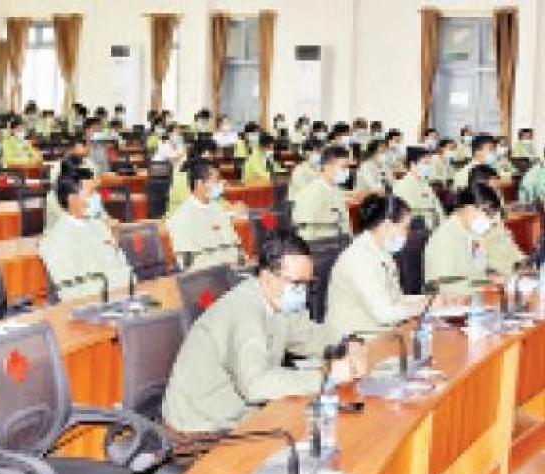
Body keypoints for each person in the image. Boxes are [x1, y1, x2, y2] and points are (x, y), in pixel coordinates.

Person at [161, 231, 366, 433]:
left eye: (308, 284)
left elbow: (309, 336)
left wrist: (349, 341)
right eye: (297, 284)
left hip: (239, 412)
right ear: (267, 278)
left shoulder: (279, 302)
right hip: (200, 426)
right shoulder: (245, 311)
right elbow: (256, 385)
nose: (302, 292)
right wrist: (326, 377)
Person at [325, 194, 427, 342]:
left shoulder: (381, 251)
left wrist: (429, 299)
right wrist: (425, 306)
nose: (408, 234)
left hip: (378, 334)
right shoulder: (358, 258)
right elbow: (385, 314)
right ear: (387, 225)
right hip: (355, 342)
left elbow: (395, 299)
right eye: (405, 228)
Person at [39, 173, 132, 302]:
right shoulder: (55, 240)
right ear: (72, 199)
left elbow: (124, 267)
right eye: (91, 193)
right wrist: (116, 287)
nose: (97, 197)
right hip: (95, 304)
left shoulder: (100, 227)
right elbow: (70, 292)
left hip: (122, 297)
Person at [424, 182, 502, 296]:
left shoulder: (472, 232)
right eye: (489, 215)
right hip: (451, 301)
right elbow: (445, 286)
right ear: (469, 208)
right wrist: (486, 285)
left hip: (474, 296)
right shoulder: (444, 238)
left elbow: (478, 270)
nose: (491, 221)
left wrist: (492, 277)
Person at [165, 157, 241, 271]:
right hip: (206, 276)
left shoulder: (218, 209)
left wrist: (238, 260)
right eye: (216, 180)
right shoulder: (181, 218)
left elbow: (235, 244)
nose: (221, 184)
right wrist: (225, 263)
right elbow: (188, 264)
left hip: (230, 269)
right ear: (199, 183)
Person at [468, 164, 524, 276]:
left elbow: (509, 246)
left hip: (513, 268)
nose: (498, 183)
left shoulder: (493, 212)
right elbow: (481, 264)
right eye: (494, 180)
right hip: (501, 274)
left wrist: (523, 262)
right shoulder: (476, 226)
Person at [293, 145, 352, 240]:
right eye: (343, 168)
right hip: (321, 245)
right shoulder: (311, 195)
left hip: (340, 241)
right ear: (327, 166)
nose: (347, 172)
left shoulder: (336, 190)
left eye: (348, 167)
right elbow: (306, 234)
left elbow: (345, 223)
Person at [393, 146, 444, 229]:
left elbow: (437, 206)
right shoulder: (402, 186)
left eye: (429, 164)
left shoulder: (424, 183)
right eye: (425, 163)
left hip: (434, 226)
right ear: (413, 165)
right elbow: (408, 217)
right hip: (419, 229)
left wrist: (443, 225)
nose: (429, 167)